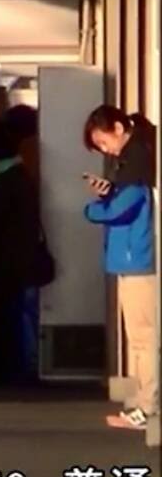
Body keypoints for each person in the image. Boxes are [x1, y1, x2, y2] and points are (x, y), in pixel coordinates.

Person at [82, 106, 157, 431]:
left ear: (117, 127)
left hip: (137, 258)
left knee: (144, 337)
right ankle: (143, 404)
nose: (104, 149)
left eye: (102, 141)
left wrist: (94, 207)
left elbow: (123, 208)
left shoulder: (135, 161)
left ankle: (147, 406)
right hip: (132, 258)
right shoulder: (133, 158)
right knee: (140, 338)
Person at [0, 110, 41, 385]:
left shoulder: (8, 177)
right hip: (7, 259)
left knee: (7, 316)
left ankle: (9, 369)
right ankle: (7, 366)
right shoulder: (14, 174)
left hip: (5, 261)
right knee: (7, 314)